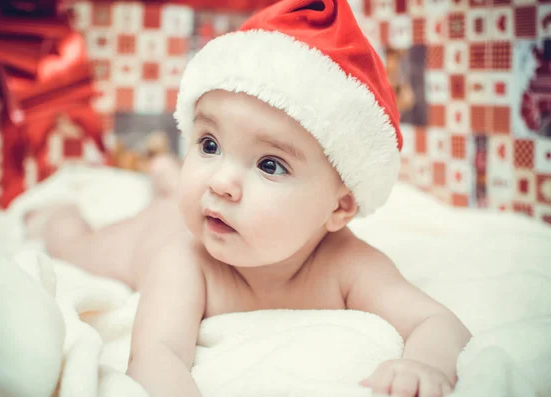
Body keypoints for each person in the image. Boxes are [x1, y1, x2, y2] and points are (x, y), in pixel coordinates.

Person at [29, 1, 472, 396]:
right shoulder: (186, 259)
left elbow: (438, 323)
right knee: (78, 246)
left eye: (269, 165)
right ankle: (70, 212)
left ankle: (163, 176)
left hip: (200, 216)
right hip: (156, 230)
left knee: (178, 190)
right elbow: (155, 355)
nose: (221, 181)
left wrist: (424, 365)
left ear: (339, 207)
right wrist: (60, 227)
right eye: (208, 144)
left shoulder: (349, 266)